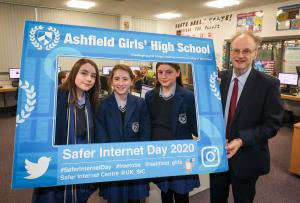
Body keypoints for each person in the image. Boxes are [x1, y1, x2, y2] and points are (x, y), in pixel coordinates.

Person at [210, 31, 283, 203]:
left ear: (255, 53)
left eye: (246, 51)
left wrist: (241, 140)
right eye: (236, 50)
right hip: (217, 155)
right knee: (216, 199)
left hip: (247, 158)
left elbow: (272, 124)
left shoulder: (268, 84)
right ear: (231, 53)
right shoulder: (219, 79)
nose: (240, 55)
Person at [32, 58, 100, 203]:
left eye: (93, 76)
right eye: (84, 73)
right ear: (74, 73)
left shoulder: (90, 100)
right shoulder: (56, 97)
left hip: (82, 161)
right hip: (59, 163)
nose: (89, 79)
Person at [95, 64, 151, 203]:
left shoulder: (140, 103)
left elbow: (145, 132)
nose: (120, 83)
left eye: (125, 79)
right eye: (117, 79)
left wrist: (138, 155)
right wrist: (113, 157)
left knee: (135, 199)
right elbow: (101, 135)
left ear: (132, 81)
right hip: (113, 164)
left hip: (135, 163)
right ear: (111, 81)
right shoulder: (102, 104)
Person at [145, 62, 199, 203]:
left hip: (181, 154)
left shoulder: (188, 97)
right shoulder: (150, 96)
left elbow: (195, 128)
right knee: (165, 192)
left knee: (181, 194)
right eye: (160, 72)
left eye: (168, 72)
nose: (163, 76)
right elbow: (148, 126)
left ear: (178, 72)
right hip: (159, 154)